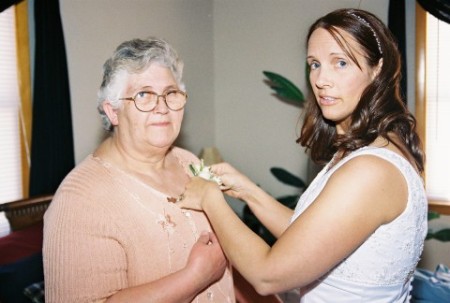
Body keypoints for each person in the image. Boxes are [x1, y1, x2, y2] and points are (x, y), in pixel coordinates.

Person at [178, 8, 428, 302]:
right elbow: (311, 239)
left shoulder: (371, 170)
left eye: (341, 63)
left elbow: (267, 275)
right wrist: (248, 192)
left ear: (378, 69)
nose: (321, 79)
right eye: (314, 64)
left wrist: (210, 198)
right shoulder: (372, 149)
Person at [43, 37, 236, 303]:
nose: (162, 106)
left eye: (171, 93)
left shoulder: (188, 161)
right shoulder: (79, 200)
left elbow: (228, 266)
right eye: (143, 94)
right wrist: (196, 276)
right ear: (113, 112)